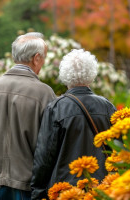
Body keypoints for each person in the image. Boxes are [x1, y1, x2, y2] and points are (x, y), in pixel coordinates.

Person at [0, 32, 57, 200]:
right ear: (36, 58)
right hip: (28, 184)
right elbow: (51, 145)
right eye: (43, 58)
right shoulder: (44, 93)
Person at [31, 49, 116, 199]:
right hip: (102, 188)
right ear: (92, 74)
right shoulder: (107, 106)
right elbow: (118, 148)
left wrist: (37, 191)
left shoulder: (56, 108)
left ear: (65, 75)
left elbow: (45, 156)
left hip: (65, 189)